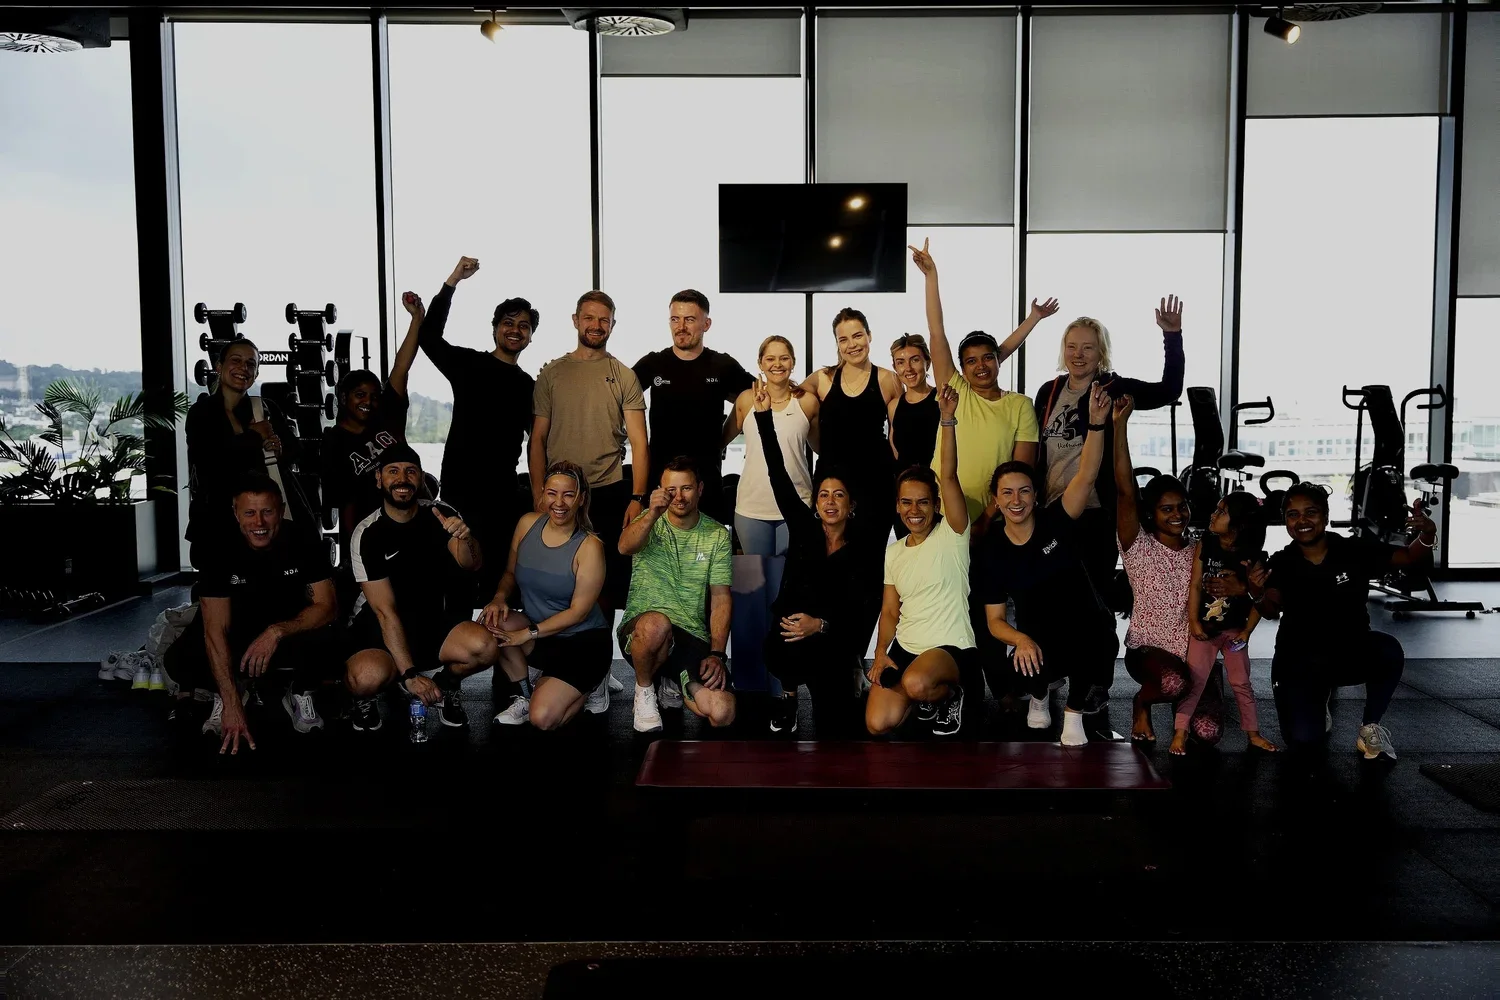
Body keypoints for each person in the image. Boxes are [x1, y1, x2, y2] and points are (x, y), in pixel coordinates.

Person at [1243, 483, 1432, 759]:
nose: (1302, 521)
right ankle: (1318, 700)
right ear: (1285, 522)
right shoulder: (1282, 562)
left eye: (1311, 512)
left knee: (1388, 649)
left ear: (1326, 515)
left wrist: (1428, 532)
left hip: (1348, 651)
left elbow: (1409, 556)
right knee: (1304, 740)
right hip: (1298, 661)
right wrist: (1256, 593)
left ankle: (1370, 727)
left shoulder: (1352, 550)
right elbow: (1271, 609)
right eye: (1293, 515)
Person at [980, 386, 1118, 746]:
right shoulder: (992, 547)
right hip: (1037, 630)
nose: (1016, 500)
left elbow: (1086, 475)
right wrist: (1020, 639)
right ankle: (1039, 694)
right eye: (1007, 493)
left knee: (1100, 638)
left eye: (1024, 491)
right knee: (1024, 661)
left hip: (1082, 618)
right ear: (995, 499)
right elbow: (995, 622)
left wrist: (1098, 424)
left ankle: (1073, 714)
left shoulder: (1055, 520)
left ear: (1036, 495)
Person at [166, 474, 339, 754]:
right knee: (180, 659)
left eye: (267, 512)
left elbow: (327, 607)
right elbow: (214, 630)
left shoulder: (303, 538)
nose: (259, 523)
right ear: (236, 513)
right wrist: (232, 704)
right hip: (236, 632)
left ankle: (298, 691)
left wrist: (275, 632)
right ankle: (230, 691)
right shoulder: (216, 548)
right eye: (250, 513)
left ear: (281, 511)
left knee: (331, 637)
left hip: (285, 631)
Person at [748, 378, 881, 735]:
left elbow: (857, 615)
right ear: (816, 502)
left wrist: (820, 624)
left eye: (839, 495)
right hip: (793, 632)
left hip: (832, 637)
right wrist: (763, 418)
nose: (830, 501)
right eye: (824, 495)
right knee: (780, 648)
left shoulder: (862, 548)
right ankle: (789, 696)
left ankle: (840, 678)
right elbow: (778, 475)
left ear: (850, 506)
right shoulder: (805, 528)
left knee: (836, 725)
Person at [343, 445, 498, 733]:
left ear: (421, 478)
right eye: (393, 471)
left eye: (411, 471)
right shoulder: (368, 533)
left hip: (432, 624)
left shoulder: (442, 514)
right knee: (364, 677)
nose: (402, 479)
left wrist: (466, 538)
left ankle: (446, 685)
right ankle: (372, 696)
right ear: (379, 479)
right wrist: (410, 675)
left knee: (484, 647)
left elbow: (472, 564)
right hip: (380, 628)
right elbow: (384, 611)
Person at [1033, 296, 1186, 588]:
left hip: (1095, 513)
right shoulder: (1048, 392)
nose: (1078, 354)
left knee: (1095, 596)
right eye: (1072, 347)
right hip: (1053, 509)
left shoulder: (1114, 388)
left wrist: (1172, 336)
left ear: (1100, 353)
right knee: (1055, 595)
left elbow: (1169, 390)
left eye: (1088, 348)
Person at [909, 239, 1055, 523]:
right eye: (971, 361)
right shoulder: (956, 389)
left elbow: (1022, 471)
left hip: (999, 517)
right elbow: (936, 331)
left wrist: (989, 518)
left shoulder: (1020, 405)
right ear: (961, 369)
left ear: (998, 360)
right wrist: (931, 276)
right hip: (943, 512)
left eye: (987, 358)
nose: (981, 366)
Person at [417, 255, 537, 602]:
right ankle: (459, 647)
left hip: (502, 492)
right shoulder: (469, 364)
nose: (515, 330)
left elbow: (538, 441)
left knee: (501, 574)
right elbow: (428, 337)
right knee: (458, 572)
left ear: (530, 337)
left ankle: (502, 647)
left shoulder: (529, 386)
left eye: (524, 326)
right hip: (460, 487)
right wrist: (453, 280)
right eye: (509, 322)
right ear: (495, 326)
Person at [531, 290, 649, 617]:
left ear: (612, 325)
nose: (596, 325)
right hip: (559, 494)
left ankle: (598, 665)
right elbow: (537, 439)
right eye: (589, 318)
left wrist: (637, 497)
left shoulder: (624, 375)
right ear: (575, 321)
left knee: (604, 583)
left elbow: (639, 442)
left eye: (603, 320)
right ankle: (554, 653)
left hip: (608, 491)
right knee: (556, 576)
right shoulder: (552, 374)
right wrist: (539, 492)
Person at [867, 384, 974, 738]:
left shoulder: (953, 534)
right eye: (907, 503)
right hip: (906, 649)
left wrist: (947, 419)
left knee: (914, 681)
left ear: (937, 505)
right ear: (897, 506)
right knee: (877, 723)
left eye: (923, 502)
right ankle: (921, 695)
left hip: (949, 648)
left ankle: (949, 694)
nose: (915, 511)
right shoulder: (894, 552)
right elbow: (890, 612)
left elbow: (948, 475)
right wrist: (882, 653)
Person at [722, 336, 820, 700]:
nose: (777, 364)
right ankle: (750, 680)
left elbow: (823, 449)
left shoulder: (807, 403)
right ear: (760, 362)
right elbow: (720, 438)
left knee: (787, 598)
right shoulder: (747, 400)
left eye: (784, 358)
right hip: (751, 509)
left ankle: (785, 682)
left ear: (793, 362)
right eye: (770, 358)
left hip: (796, 511)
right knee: (751, 599)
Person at [480, 462, 611, 731]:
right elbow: (509, 573)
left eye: (568, 494)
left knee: (543, 719)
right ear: (542, 493)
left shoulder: (590, 546)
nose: (559, 502)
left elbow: (578, 612)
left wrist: (528, 633)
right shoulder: (527, 523)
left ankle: (592, 685)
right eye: (552, 493)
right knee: (493, 622)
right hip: (541, 638)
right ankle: (526, 694)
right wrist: (499, 597)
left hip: (583, 644)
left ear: (581, 498)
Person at [617, 457, 735, 733]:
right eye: (671, 490)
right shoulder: (648, 521)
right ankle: (645, 692)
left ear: (700, 489)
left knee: (722, 711)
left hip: (689, 637)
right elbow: (624, 546)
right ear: (660, 490)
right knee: (657, 624)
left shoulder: (717, 535)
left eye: (686, 488)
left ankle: (675, 680)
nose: (678, 497)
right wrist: (653, 513)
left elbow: (720, 598)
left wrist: (717, 653)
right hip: (642, 632)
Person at [1112, 397, 1199, 745]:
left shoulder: (1199, 550)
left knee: (1208, 733)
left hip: (1192, 653)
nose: (1176, 514)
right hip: (1148, 652)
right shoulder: (1138, 546)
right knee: (1173, 683)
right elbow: (1124, 489)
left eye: (1182, 507)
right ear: (1152, 513)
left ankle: (1189, 694)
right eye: (1166, 509)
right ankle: (1141, 702)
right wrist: (1121, 426)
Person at [185, 338, 313, 571]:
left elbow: (295, 451)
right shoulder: (202, 413)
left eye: (251, 364)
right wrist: (255, 437)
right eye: (236, 361)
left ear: (256, 373)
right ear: (218, 366)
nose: (243, 368)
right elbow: (209, 463)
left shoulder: (265, 408)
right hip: (219, 523)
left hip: (265, 522)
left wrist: (278, 450)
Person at [632, 289, 755, 522]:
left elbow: (758, 398)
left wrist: (724, 438)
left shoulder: (722, 366)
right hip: (661, 482)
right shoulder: (654, 363)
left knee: (706, 555)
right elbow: (615, 396)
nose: (681, 326)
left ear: (706, 324)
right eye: (675, 319)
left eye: (689, 319)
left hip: (706, 480)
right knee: (659, 555)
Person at [320, 289, 421, 569]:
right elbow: (343, 502)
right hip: (371, 533)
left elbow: (402, 367)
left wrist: (416, 319)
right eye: (360, 395)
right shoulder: (334, 442)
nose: (369, 401)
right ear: (344, 398)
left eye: (374, 395)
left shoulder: (386, 417)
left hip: (411, 521)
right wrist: (354, 553)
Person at [1173, 493, 1277, 755]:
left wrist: (1246, 632)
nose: (1213, 515)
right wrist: (1194, 620)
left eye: (1221, 512)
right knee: (1194, 681)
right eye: (1216, 509)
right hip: (1205, 631)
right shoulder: (1206, 543)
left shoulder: (1253, 555)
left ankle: (1253, 734)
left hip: (1234, 632)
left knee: (1241, 682)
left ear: (1238, 524)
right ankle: (1180, 733)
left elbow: (1258, 599)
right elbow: (1195, 584)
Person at [800, 307, 902, 528]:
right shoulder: (822, 379)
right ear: (837, 344)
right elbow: (788, 403)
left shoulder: (888, 379)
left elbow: (902, 433)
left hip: (876, 481)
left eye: (857, 336)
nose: (852, 345)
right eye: (843, 339)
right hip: (832, 484)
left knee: (872, 557)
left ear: (869, 335)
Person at [888, 333, 938, 472]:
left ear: (927, 362)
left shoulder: (942, 399)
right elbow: (897, 455)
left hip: (940, 484)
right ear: (895, 367)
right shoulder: (894, 407)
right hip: (906, 486)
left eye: (914, 360)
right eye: (901, 362)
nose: (908, 368)